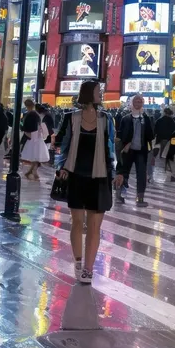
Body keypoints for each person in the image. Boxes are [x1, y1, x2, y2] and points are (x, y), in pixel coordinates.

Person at [56, 80, 115, 284]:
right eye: (99, 91)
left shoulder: (106, 119)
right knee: (78, 222)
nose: (101, 94)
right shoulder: (71, 118)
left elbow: (110, 149)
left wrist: (115, 172)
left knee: (94, 226)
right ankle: (78, 261)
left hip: (99, 177)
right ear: (89, 94)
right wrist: (62, 166)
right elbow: (61, 144)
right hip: (76, 175)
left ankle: (89, 269)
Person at [117, 94, 154, 207]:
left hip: (141, 150)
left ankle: (140, 197)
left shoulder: (146, 118)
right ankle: (120, 193)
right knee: (124, 172)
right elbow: (121, 133)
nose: (138, 103)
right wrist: (125, 144)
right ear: (132, 103)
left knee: (141, 174)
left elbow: (151, 135)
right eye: (136, 101)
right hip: (128, 150)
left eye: (140, 101)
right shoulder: (126, 118)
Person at [21, 99, 49, 180]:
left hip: (32, 137)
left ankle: (31, 172)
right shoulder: (36, 114)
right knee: (36, 156)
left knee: (35, 156)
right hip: (37, 137)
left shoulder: (29, 114)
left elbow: (26, 127)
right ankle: (32, 172)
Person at [154, 107, 175, 175]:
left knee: (160, 152)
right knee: (167, 153)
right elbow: (174, 131)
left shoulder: (159, 120)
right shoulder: (172, 121)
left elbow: (155, 130)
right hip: (169, 139)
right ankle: (167, 168)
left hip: (160, 138)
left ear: (164, 112)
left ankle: (161, 166)